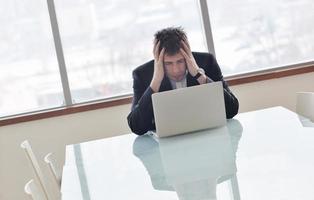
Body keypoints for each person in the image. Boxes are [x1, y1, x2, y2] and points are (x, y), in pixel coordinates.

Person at [127, 27, 239, 135]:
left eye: (180, 61)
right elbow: (137, 127)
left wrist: (199, 75)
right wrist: (156, 81)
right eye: (168, 63)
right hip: (166, 144)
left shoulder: (207, 62)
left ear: (188, 55)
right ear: (159, 61)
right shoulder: (142, 74)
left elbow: (231, 110)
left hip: (208, 135)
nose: (176, 70)